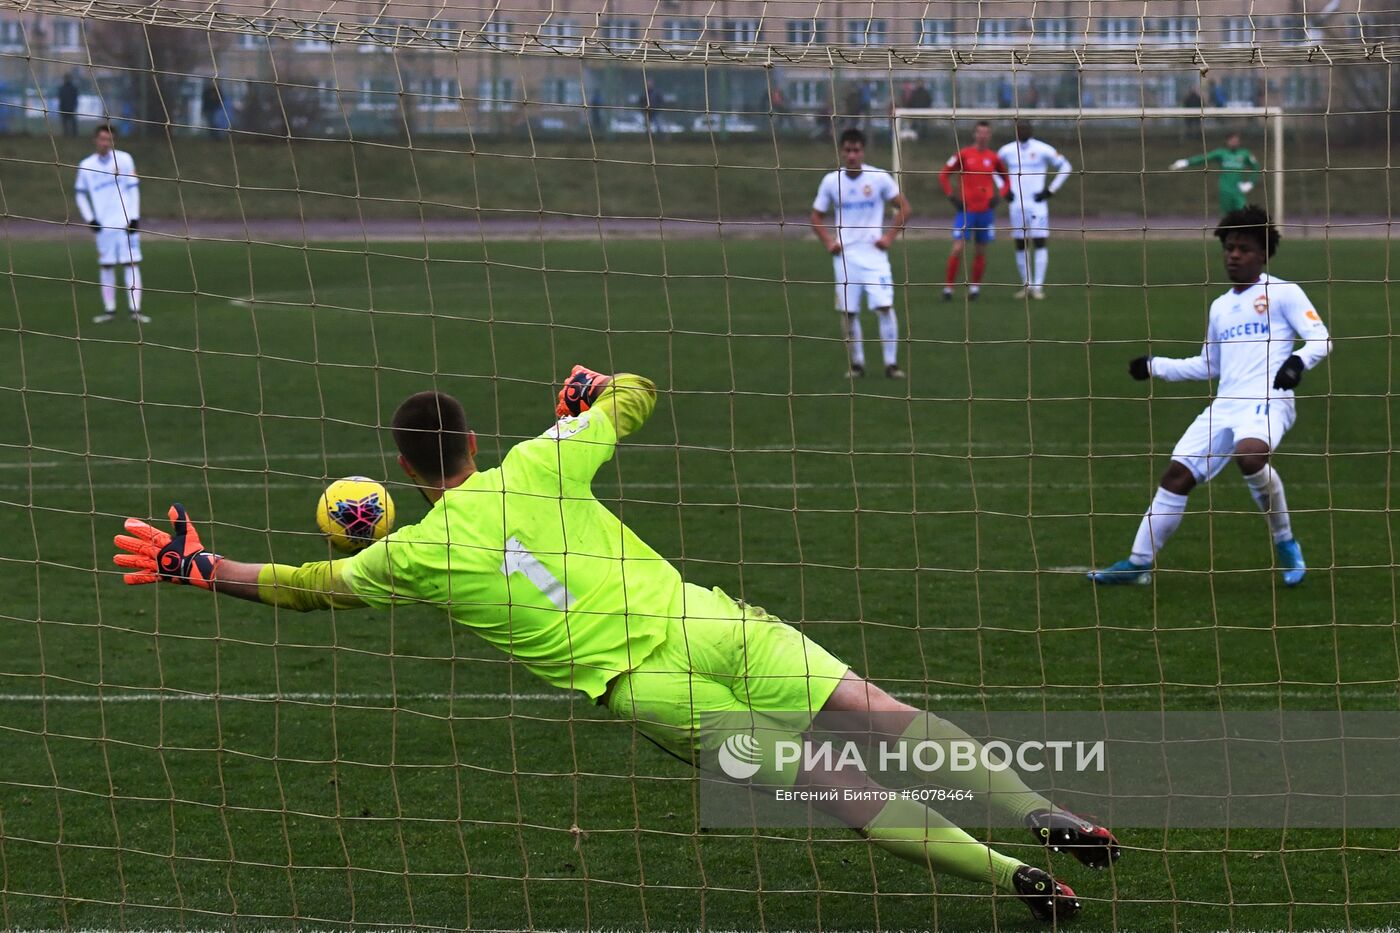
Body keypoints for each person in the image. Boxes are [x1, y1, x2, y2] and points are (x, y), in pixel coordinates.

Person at [113, 366, 1120, 922]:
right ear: (467, 443)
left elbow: (306, 589)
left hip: (647, 689)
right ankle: (1045, 811)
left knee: (834, 788)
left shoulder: (406, 558)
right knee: (879, 715)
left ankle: (1019, 883)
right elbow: (636, 394)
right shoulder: (537, 461)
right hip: (709, 621)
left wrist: (207, 568)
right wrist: (587, 391)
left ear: (400, 473)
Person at [1089, 206, 1332, 586]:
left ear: (1263, 254)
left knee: (1249, 456)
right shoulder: (1220, 307)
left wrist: (1297, 363)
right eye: (1230, 248)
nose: (1234, 255)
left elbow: (1321, 338)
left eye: (1245, 249)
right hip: (1225, 405)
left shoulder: (1284, 292)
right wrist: (1155, 366)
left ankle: (1286, 542)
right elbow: (1208, 364)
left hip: (1268, 400)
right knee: (1177, 476)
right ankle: (1138, 564)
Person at [810, 128, 911, 378]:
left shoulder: (878, 178)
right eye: (847, 150)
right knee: (848, 312)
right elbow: (816, 217)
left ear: (862, 151)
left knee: (885, 307)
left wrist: (888, 237)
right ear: (842, 152)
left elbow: (904, 208)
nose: (852, 155)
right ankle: (857, 364)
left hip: (875, 256)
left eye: (856, 150)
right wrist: (828, 242)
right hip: (845, 258)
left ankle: (891, 364)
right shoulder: (831, 181)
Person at [74, 124, 147, 324]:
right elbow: (80, 195)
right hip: (103, 225)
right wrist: (90, 219)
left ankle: (135, 310)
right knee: (106, 265)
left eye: (108, 139)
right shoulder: (86, 165)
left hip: (125, 223)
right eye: (102, 139)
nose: (105, 143)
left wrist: (134, 216)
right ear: (95, 140)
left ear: (113, 141)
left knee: (130, 263)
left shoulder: (124, 159)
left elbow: (133, 190)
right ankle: (110, 310)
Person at [997, 122, 1071, 300]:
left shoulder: (1042, 149)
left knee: (1039, 241)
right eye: (1019, 128)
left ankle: (1038, 286)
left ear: (1031, 131)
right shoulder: (1006, 150)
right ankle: (1026, 285)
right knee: (1020, 244)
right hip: (1016, 205)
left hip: (1037, 205)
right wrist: (1003, 189)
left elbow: (1066, 167)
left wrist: (1050, 190)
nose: (1023, 130)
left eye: (1026, 128)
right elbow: (993, 168)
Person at [939, 121, 1010, 301]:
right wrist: (951, 197)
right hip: (966, 211)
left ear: (990, 136)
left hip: (985, 212)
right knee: (957, 248)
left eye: (986, 133)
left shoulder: (993, 158)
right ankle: (949, 288)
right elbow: (944, 174)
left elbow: (1007, 179)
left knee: (980, 250)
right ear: (974, 134)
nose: (983, 136)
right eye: (980, 132)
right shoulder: (964, 154)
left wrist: (1000, 195)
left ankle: (974, 289)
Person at [1169, 132, 1261, 215]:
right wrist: (1187, 162)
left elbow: (1256, 167)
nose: (1234, 142)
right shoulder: (1221, 153)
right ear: (1227, 141)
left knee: (1243, 212)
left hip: (1239, 189)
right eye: (1232, 140)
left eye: (1236, 140)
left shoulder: (1245, 153)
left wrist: (1251, 183)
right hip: (1225, 189)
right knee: (1227, 215)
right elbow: (1204, 158)